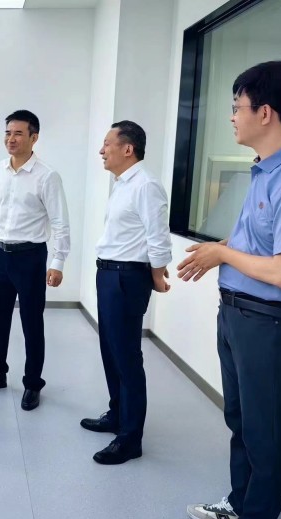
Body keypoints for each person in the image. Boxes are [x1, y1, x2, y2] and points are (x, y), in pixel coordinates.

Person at [180, 61, 281, 519]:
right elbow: (260, 240)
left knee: (265, 429)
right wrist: (223, 248)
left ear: (264, 112)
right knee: (241, 419)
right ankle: (239, 504)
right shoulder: (264, 170)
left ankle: (256, 518)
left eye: (237, 107)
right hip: (236, 314)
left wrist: (222, 255)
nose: (232, 117)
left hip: (266, 321)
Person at [80, 121, 172, 465]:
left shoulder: (146, 185)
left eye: (107, 144)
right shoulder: (122, 184)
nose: (102, 151)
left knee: (127, 357)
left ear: (128, 149)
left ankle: (131, 438)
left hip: (127, 278)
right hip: (109, 274)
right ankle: (117, 414)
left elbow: (158, 236)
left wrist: (157, 274)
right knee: (110, 350)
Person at [0, 109, 70, 412]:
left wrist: (58, 262)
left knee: (31, 322)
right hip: (0, 254)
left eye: (18, 133)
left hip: (31, 257)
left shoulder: (47, 176)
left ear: (34, 137)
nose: (11, 139)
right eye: (7, 133)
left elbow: (60, 222)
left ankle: (32, 383)